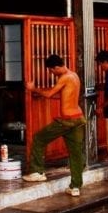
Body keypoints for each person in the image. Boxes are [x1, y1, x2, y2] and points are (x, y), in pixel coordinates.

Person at [23, 54, 86, 197]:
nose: (52, 73)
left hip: (67, 120)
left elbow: (49, 94)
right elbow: (66, 95)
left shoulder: (64, 77)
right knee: (75, 153)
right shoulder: (74, 75)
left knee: (39, 138)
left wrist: (33, 89)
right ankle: (75, 187)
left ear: (57, 67)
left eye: (52, 70)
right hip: (78, 118)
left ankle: (37, 172)